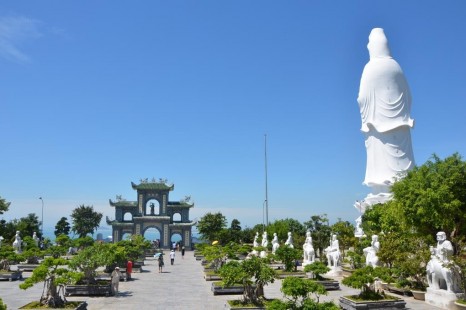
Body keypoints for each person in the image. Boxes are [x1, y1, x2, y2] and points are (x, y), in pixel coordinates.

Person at [357, 28, 415, 198]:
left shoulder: (370, 68)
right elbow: (409, 97)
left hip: (375, 126)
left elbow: (362, 98)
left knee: (380, 163)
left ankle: (382, 191)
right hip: (400, 124)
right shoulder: (396, 67)